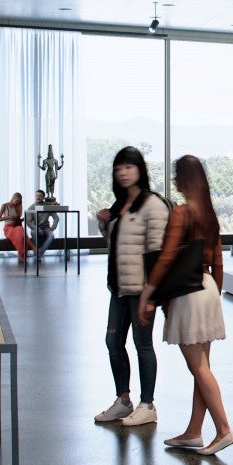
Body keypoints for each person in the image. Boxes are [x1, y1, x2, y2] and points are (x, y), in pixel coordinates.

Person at [139, 155, 233, 458]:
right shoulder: (210, 215)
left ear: (185, 180)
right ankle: (194, 431)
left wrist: (148, 293)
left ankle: (223, 430)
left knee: (199, 368)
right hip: (207, 287)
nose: (176, 180)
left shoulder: (182, 213)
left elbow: (167, 257)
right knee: (202, 367)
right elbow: (218, 262)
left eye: (178, 175)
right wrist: (214, 294)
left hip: (188, 291)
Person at [93, 146, 169, 426]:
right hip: (119, 288)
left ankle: (147, 404)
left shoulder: (153, 205)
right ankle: (123, 400)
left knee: (142, 345)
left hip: (141, 290)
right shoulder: (119, 205)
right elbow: (116, 247)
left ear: (140, 169)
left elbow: (157, 253)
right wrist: (104, 225)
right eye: (118, 168)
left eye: (128, 167)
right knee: (113, 342)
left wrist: (150, 295)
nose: (123, 173)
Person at [24, 189, 58, 258]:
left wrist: (52, 228)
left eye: (40, 196)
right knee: (34, 233)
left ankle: (39, 253)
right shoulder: (31, 207)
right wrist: (37, 229)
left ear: (43, 197)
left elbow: (56, 218)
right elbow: (28, 221)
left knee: (51, 236)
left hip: (46, 227)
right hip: (35, 227)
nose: (38, 197)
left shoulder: (48, 206)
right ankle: (36, 252)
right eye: (36, 196)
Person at [0, 192, 27, 264]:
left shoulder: (17, 207)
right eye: (17, 200)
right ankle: (21, 256)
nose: (18, 202)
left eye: (19, 201)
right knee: (19, 236)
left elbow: (18, 221)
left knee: (22, 237)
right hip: (8, 227)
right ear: (13, 198)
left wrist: (23, 219)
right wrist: (9, 217)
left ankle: (21, 257)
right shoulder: (4, 206)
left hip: (16, 226)